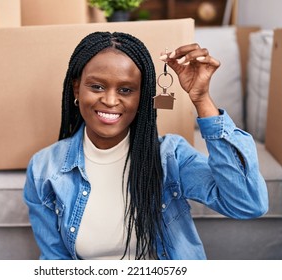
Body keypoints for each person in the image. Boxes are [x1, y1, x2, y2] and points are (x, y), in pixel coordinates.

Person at [23, 31, 268, 260]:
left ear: (142, 97)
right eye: (97, 86)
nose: (109, 100)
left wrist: (201, 99)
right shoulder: (45, 168)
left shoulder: (170, 156)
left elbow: (247, 204)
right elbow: (55, 262)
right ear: (77, 88)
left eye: (126, 90)